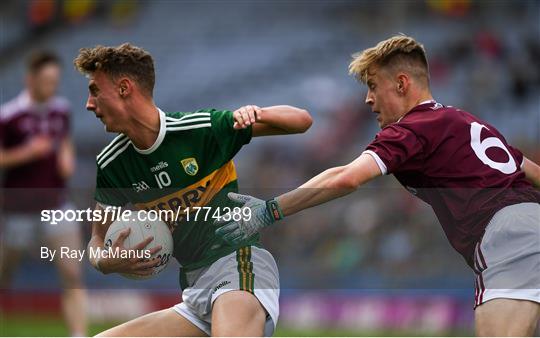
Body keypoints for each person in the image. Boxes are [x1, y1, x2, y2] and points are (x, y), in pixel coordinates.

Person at [214, 35, 540, 336]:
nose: (368, 100)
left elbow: (346, 177)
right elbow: (529, 170)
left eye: (373, 86)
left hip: (507, 236)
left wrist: (270, 210)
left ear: (401, 83)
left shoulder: (411, 129)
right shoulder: (467, 122)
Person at [73, 43, 312, 336]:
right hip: (195, 288)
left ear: (124, 88)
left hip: (238, 264)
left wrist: (257, 112)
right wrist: (106, 262)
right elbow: (97, 241)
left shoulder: (200, 130)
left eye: (95, 90)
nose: (88, 104)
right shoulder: (113, 164)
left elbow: (301, 121)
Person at [0, 51, 86, 336]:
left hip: (56, 204)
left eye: (55, 80)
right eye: (46, 80)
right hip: (17, 210)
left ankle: (78, 334)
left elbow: (65, 141)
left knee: (72, 274)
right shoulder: (9, 116)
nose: (51, 85)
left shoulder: (61, 110)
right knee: (5, 274)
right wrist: (27, 152)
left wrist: (67, 157)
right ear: (30, 79)